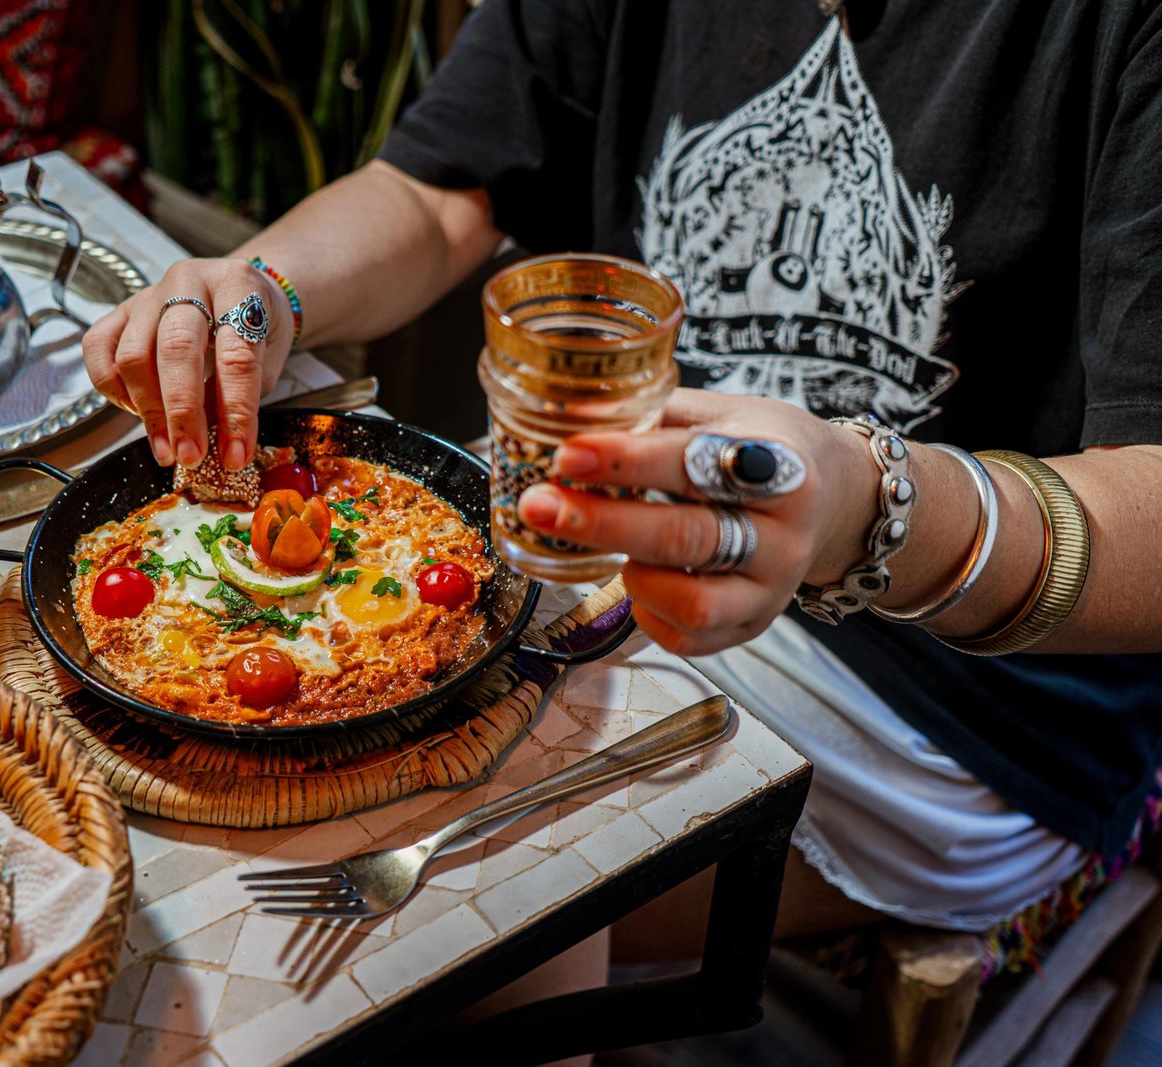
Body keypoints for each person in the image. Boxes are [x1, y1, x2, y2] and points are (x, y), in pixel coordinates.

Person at [83, 0, 1162, 996]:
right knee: (233, 806)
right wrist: (261, 293)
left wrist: (865, 507)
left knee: (440, 911)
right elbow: (437, 191)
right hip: (589, 541)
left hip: (957, 699)